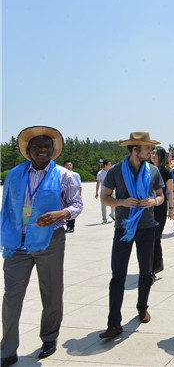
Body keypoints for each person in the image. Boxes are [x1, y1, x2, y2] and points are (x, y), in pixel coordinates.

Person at [1, 126, 83, 366]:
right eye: (37, 146)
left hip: (50, 240)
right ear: (28, 150)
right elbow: (7, 206)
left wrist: (61, 213)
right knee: (11, 296)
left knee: (51, 291)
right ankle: (7, 348)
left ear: (53, 150)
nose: (42, 149)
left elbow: (77, 204)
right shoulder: (15, 174)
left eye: (47, 145)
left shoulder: (64, 176)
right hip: (17, 242)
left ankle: (49, 337)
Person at [99, 132, 165, 339]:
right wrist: (122, 202)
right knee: (118, 275)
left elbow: (162, 196)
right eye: (147, 149)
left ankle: (142, 306)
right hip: (123, 229)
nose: (151, 152)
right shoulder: (116, 171)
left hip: (147, 227)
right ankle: (113, 323)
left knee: (146, 272)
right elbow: (105, 198)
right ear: (135, 150)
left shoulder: (153, 170)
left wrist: (154, 201)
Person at [150, 146, 174, 278]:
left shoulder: (166, 173)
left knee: (156, 236)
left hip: (160, 207)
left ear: (161, 156)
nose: (152, 155)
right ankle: (157, 263)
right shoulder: (146, 169)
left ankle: (155, 265)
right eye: (152, 153)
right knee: (152, 238)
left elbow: (170, 192)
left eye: (155, 153)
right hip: (148, 207)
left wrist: (171, 209)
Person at [62, 161, 81, 233]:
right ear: (64, 166)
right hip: (65, 195)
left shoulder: (75, 175)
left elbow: (79, 186)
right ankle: (67, 226)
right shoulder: (62, 174)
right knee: (65, 211)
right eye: (67, 165)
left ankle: (72, 227)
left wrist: (79, 195)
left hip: (73, 194)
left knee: (71, 210)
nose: (69, 166)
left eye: (70, 165)